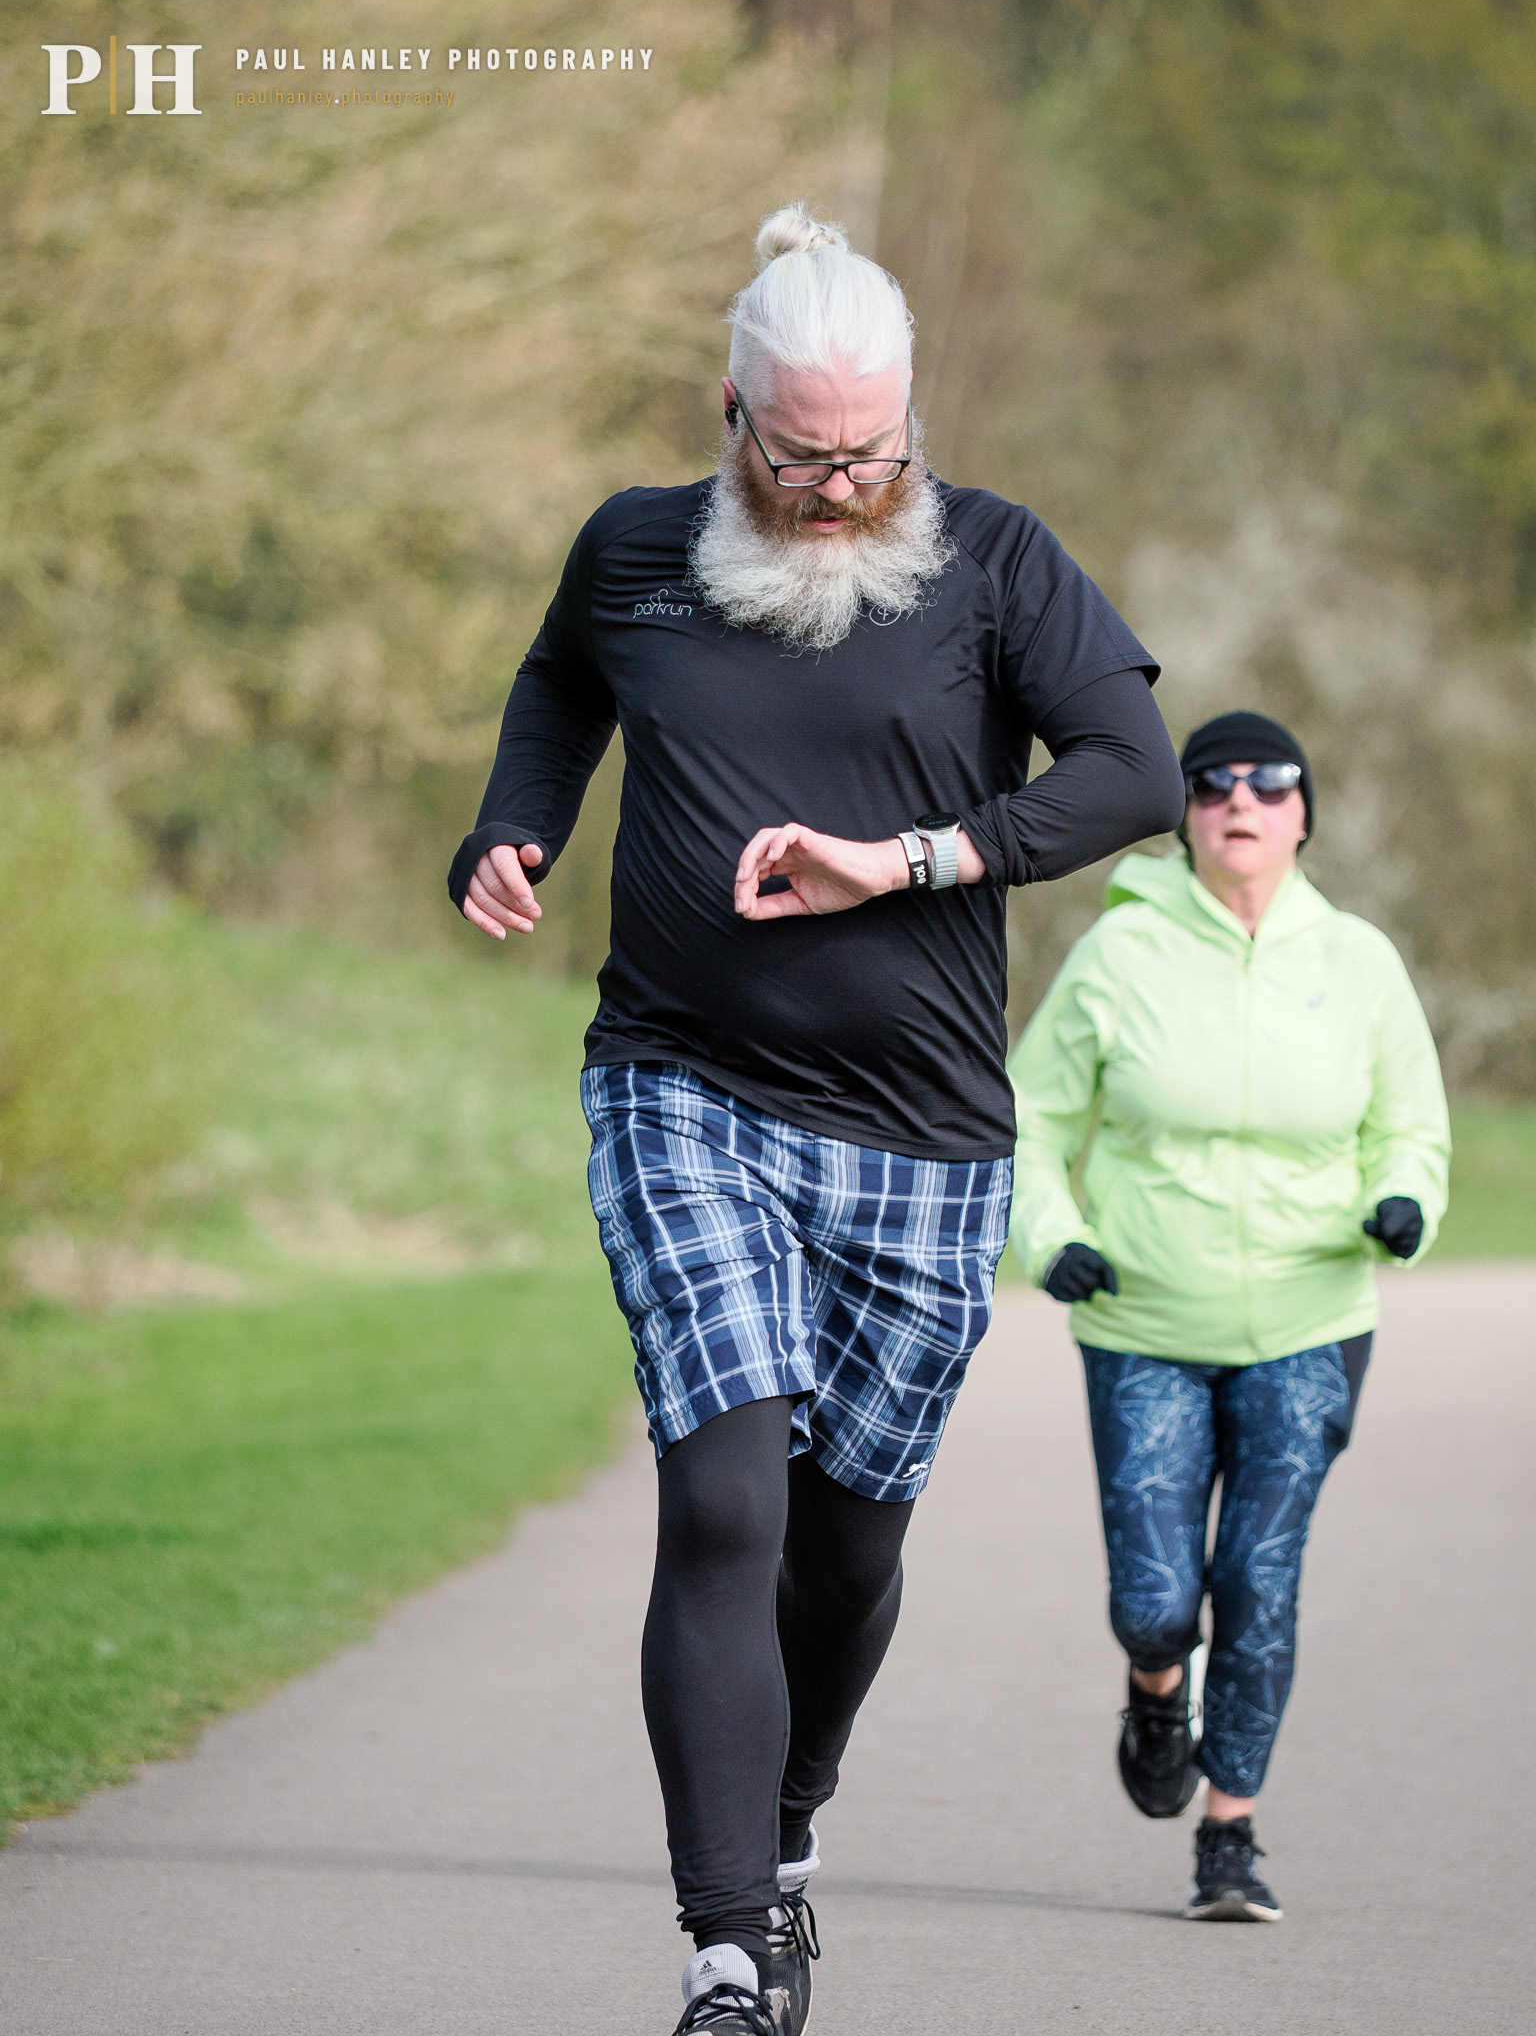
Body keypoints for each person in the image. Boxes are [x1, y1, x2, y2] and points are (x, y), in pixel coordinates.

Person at [449, 202, 1185, 2032]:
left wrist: (920, 856)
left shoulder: (996, 566)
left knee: (849, 1533)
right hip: (681, 1085)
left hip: (925, 1130)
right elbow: (557, 682)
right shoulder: (633, 554)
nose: (844, 481)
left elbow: (1135, 772)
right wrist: (511, 822)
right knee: (721, 1494)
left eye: (873, 449)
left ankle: (786, 1828)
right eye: (804, 452)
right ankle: (721, 1940)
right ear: (733, 413)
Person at [1009, 710, 1451, 1922]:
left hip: (1312, 1320)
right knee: (1158, 1598)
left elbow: (1408, 1123)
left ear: (1305, 812)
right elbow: (1031, 1123)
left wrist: (1404, 1198)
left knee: (1258, 1576)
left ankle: (1231, 1831)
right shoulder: (1119, 955)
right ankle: (1158, 1683)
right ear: (1186, 814)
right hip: (1142, 1316)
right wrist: (1055, 1241)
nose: (1239, 801)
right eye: (1212, 786)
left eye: (1268, 783)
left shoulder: (1358, 960)